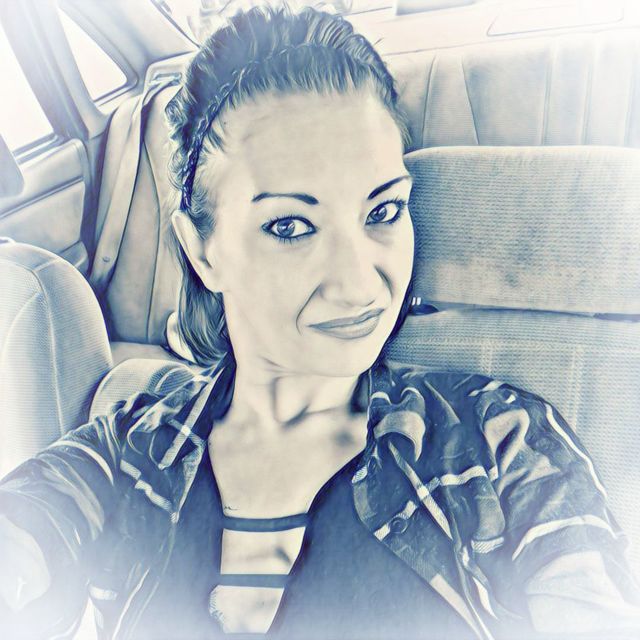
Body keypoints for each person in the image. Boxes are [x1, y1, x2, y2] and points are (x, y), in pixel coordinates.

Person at [1, 5, 639, 640]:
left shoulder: (495, 442)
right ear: (201, 252)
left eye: (382, 212)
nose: (359, 284)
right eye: (290, 226)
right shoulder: (128, 450)